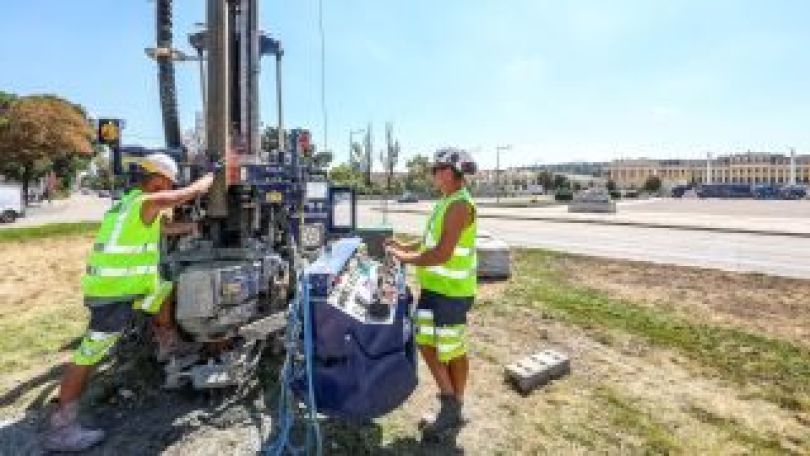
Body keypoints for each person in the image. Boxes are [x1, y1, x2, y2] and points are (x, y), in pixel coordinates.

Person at [43, 153, 215, 452]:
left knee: (164, 289)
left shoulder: (126, 205)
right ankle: (62, 428)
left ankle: (167, 342)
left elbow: (161, 229)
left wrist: (191, 229)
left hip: (129, 289)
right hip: (113, 296)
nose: (169, 188)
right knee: (88, 357)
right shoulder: (143, 203)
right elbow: (186, 195)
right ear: (159, 180)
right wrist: (209, 179)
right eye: (169, 184)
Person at [385, 147, 478, 439]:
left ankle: (454, 407)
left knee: (452, 351)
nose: (433, 174)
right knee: (426, 343)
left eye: (436, 169)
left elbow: (441, 254)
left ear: (451, 172)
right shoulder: (444, 202)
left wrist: (404, 259)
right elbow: (428, 242)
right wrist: (403, 246)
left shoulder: (460, 205)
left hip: (451, 293)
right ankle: (450, 403)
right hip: (433, 289)